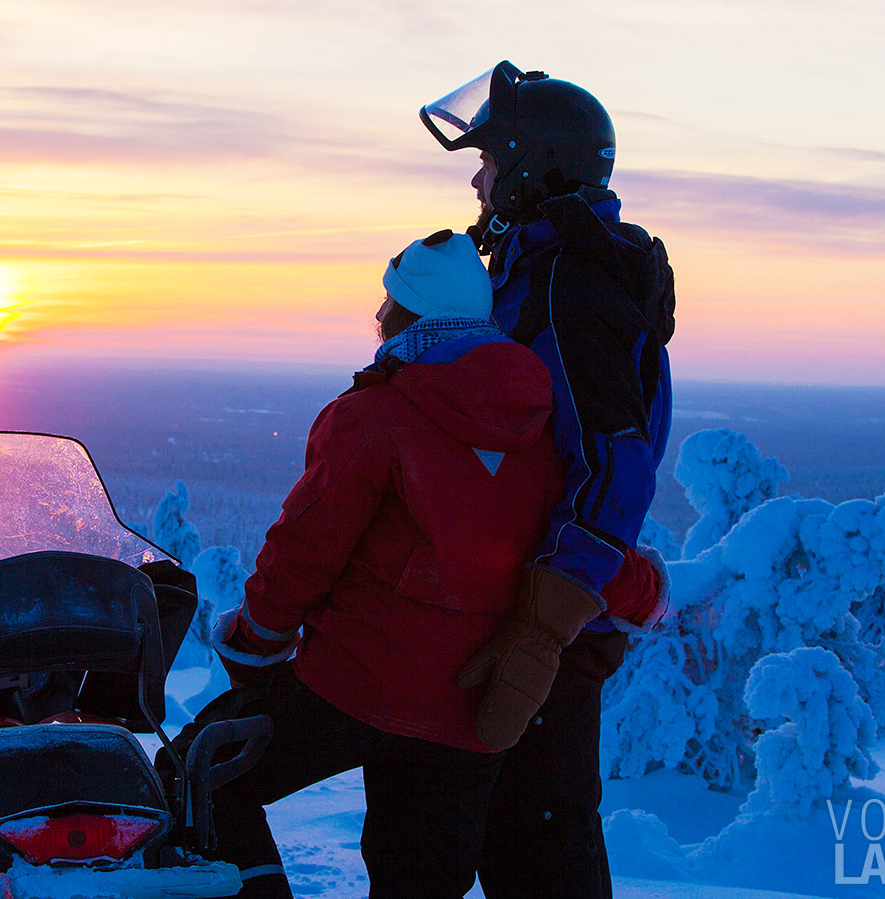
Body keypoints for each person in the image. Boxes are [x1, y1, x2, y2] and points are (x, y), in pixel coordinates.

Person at [197, 230, 660, 899]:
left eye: (385, 303)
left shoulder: (374, 413)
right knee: (418, 880)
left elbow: (303, 551)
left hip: (355, 686)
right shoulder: (549, 425)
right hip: (470, 715)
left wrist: (257, 639)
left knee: (202, 778)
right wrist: (645, 594)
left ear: (406, 314)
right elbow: (580, 539)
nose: (376, 317)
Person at [419, 61, 677, 899]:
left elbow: (612, 458)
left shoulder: (571, 284)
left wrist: (546, 619)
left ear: (532, 165)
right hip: (529, 597)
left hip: (548, 615)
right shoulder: (546, 267)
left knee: (543, 841)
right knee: (510, 830)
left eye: (489, 160)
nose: (475, 176)